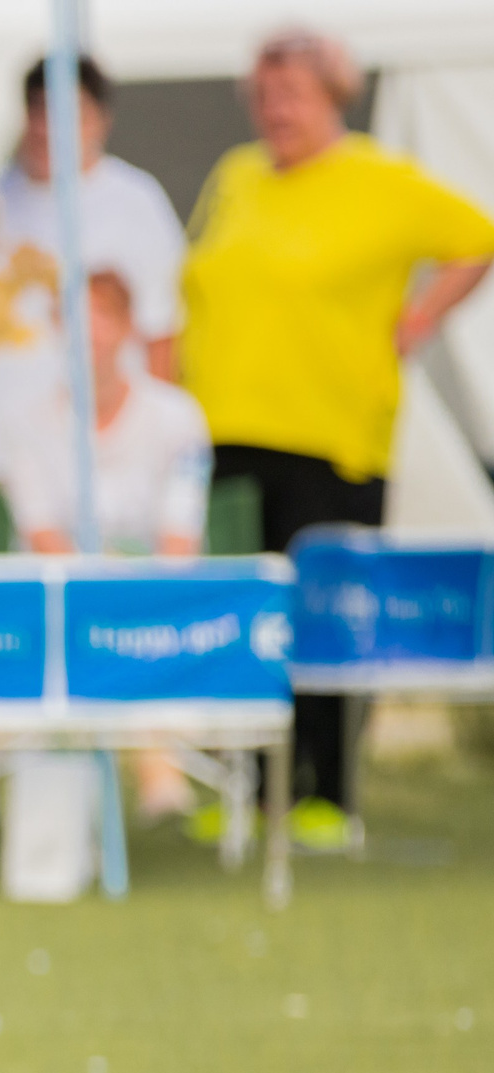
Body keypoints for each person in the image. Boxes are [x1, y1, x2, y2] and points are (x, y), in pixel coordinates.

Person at [180, 27, 494, 847]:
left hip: (333, 436)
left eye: (291, 94)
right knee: (238, 611)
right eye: (264, 95)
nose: (274, 110)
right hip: (225, 431)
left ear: (332, 97)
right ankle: (247, 784)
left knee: (322, 617)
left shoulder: (381, 181)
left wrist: (421, 317)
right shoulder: (237, 175)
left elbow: (477, 238)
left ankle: (328, 790)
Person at [0, 55, 186, 551]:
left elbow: (161, 338)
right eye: (39, 111)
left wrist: (148, 451)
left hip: (66, 466)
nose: (49, 129)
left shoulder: (134, 202)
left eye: (68, 113)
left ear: (100, 121)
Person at [5, 268, 212, 820]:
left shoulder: (177, 416)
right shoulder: (28, 422)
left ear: (126, 328)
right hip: (59, 606)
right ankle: (155, 776)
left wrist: (133, 589)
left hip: (155, 603)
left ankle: (154, 775)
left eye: (101, 316)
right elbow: (40, 530)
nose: (88, 332)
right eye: (74, 317)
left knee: (131, 639)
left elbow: (180, 536)